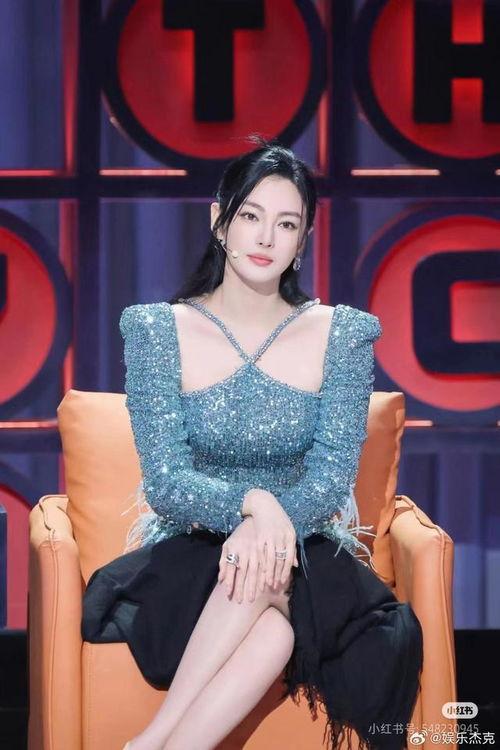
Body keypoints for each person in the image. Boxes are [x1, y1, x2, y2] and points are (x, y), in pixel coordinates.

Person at [81, 135, 423, 750]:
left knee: (272, 593)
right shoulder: (158, 330)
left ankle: (152, 744)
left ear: (303, 238)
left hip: (307, 551)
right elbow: (166, 482)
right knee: (272, 622)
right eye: (250, 216)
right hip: (194, 550)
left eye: (286, 223)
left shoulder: (341, 335)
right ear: (220, 221)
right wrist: (253, 506)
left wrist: (270, 526)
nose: (266, 237)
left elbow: (329, 482)